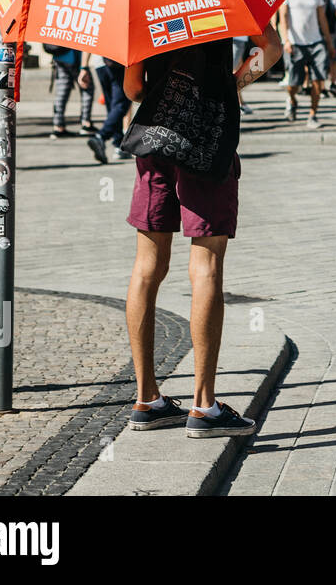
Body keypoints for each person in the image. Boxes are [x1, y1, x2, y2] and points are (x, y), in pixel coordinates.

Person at [122, 26, 282, 437]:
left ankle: (147, 399)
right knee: (206, 266)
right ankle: (204, 406)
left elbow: (133, 88)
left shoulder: (142, 0)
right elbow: (272, 49)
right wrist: (232, 83)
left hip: (156, 138)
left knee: (145, 267)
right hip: (209, 136)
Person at [282, 0, 335, 128]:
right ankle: (292, 100)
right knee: (293, 84)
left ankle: (313, 114)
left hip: (316, 42)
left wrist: (329, 43)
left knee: (318, 79)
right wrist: (286, 40)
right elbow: (283, 16)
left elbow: (322, 18)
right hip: (296, 43)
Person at [87, 56, 132, 163]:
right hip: (118, 62)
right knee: (121, 104)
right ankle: (101, 136)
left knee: (112, 106)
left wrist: (83, 67)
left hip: (99, 63)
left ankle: (118, 144)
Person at [48, 45, 96, 138]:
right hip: (75, 56)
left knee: (61, 91)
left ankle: (58, 126)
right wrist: (84, 68)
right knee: (87, 87)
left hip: (59, 56)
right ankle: (86, 123)